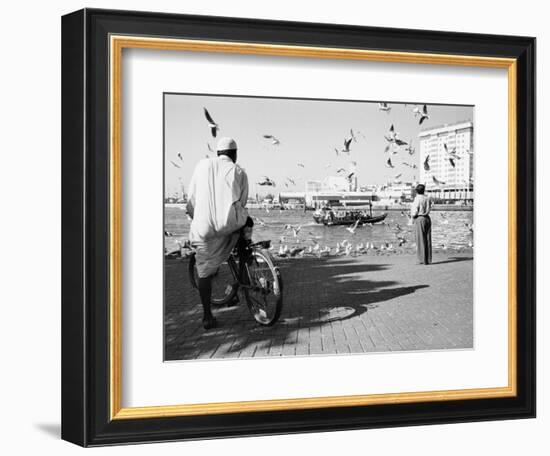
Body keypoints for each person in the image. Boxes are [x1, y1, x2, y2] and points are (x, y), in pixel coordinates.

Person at [186, 137, 251, 330]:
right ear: (235, 154)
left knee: (204, 271)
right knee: (243, 237)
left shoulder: (201, 165)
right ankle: (239, 283)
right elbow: (242, 201)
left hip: (204, 229)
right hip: (228, 226)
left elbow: (191, 199)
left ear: (217, 154)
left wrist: (195, 215)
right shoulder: (239, 170)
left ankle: (207, 316)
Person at [410, 184, 432, 264]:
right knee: (427, 239)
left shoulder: (417, 199)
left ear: (416, 191)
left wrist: (412, 217)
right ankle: (428, 259)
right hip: (427, 218)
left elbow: (415, 211)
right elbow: (429, 208)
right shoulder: (427, 198)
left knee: (420, 240)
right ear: (424, 190)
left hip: (420, 218)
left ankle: (422, 259)